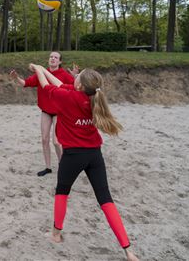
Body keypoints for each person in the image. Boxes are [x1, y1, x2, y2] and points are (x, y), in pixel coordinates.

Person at [29, 63, 139, 261]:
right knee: (106, 200)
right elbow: (60, 83)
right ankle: (128, 249)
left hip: (73, 156)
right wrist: (44, 70)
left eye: (78, 76)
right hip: (95, 155)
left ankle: (56, 234)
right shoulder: (91, 97)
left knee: (62, 192)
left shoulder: (69, 97)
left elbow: (46, 87)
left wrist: (38, 69)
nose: (76, 76)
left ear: (79, 85)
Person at [9, 52, 76, 176]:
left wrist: (75, 76)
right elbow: (25, 83)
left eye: (56, 57)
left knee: (56, 142)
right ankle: (48, 167)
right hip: (46, 111)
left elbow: (77, 88)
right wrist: (16, 78)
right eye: (51, 57)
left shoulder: (64, 75)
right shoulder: (40, 73)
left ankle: (63, 166)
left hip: (59, 112)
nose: (53, 59)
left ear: (60, 62)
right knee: (44, 139)